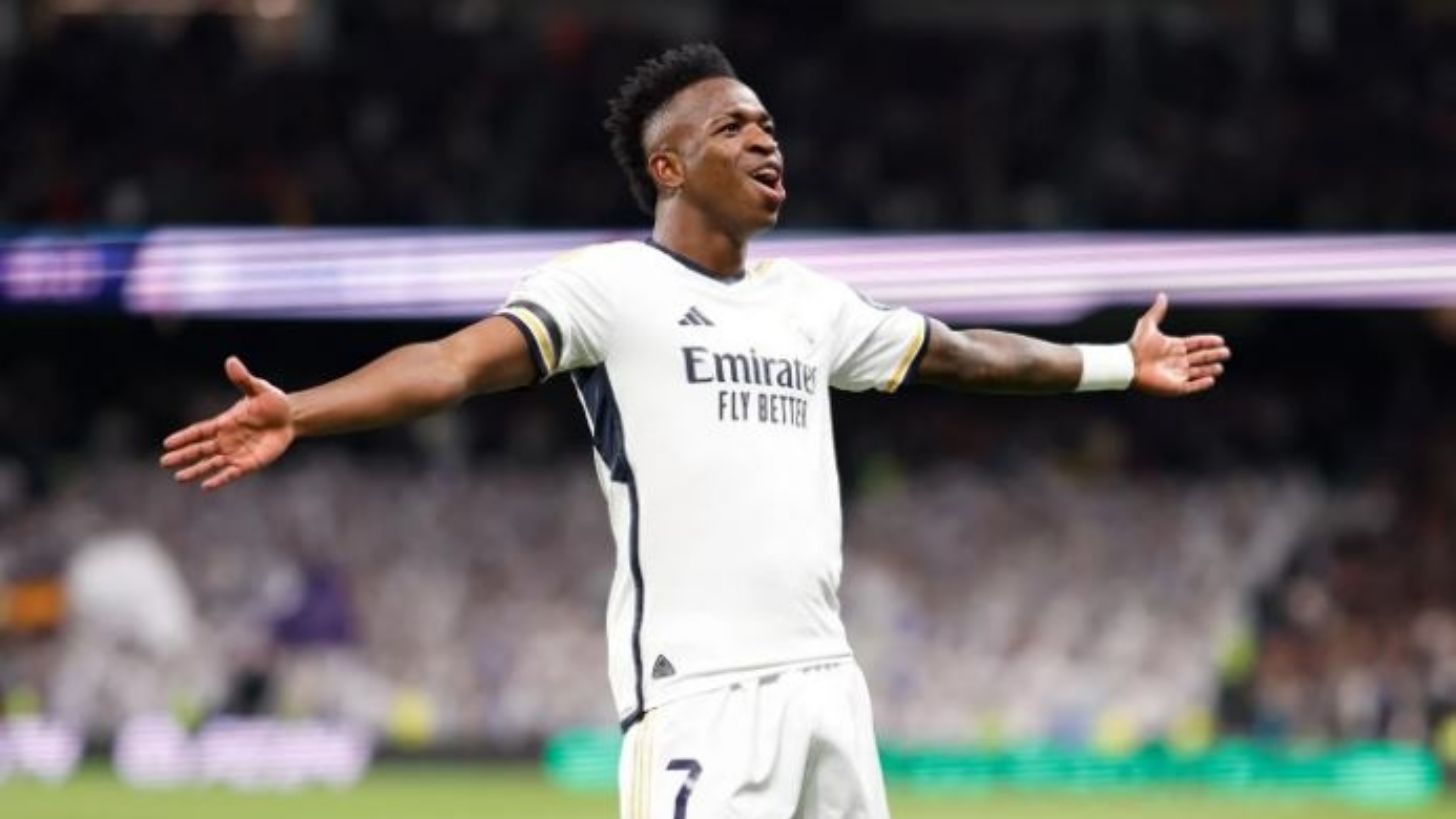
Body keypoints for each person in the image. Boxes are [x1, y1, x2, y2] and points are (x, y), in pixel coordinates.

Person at [160, 43, 1230, 819]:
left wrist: (1115, 363)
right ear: (668, 168)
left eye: (768, 125)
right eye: (732, 126)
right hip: (701, 700)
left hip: (828, 684)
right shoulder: (608, 287)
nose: (764, 138)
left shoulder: (808, 303)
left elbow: (960, 353)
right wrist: (303, 408)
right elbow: (452, 363)